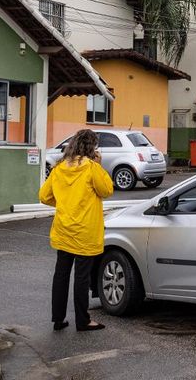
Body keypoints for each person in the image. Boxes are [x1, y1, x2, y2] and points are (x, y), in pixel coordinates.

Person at [39, 129, 114, 332]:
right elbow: (107, 190)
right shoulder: (91, 168)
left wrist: (65, 203)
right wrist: (99, 165)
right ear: (91, 147)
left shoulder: (59, 168)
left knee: (61, 275)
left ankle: (58, 319)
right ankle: (83, 320)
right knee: (82, 277)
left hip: (63, 229)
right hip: (85, 232)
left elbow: (44, 196)